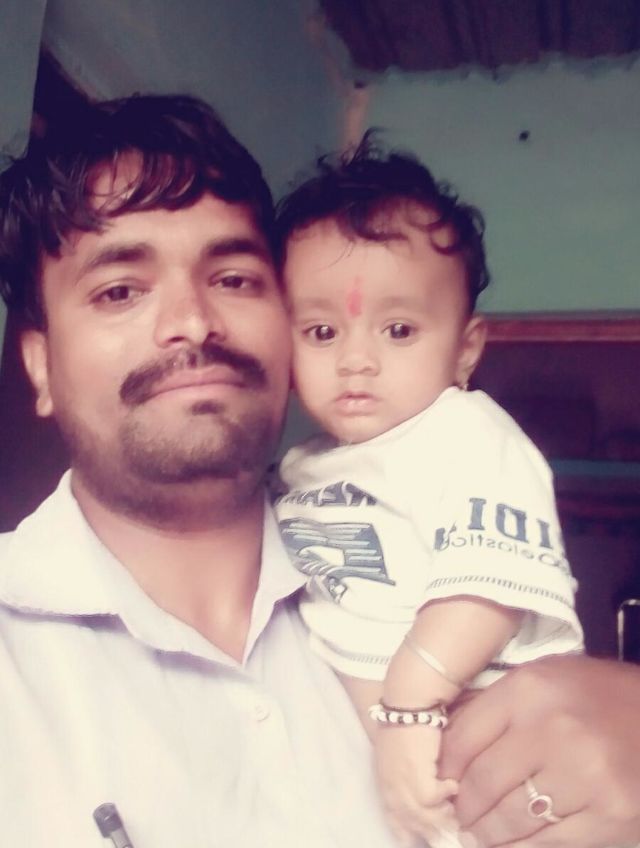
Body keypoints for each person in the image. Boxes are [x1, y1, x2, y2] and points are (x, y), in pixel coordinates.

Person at [0, 93, 639, 848]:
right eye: (119, 291)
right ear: (40, 367)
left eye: (234, 279)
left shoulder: (391, 529)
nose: (193, 322)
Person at [272, 140, 580, 845]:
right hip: (389, 758)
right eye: (321, 331)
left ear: (465, 349)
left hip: (477, 730)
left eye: (399, 329)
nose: (355, 360)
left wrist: (409, 710)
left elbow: (485, 591)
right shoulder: (304, 468)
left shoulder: (467, 436)